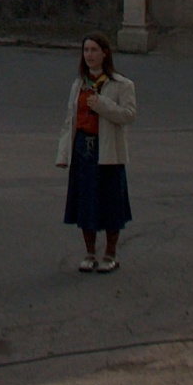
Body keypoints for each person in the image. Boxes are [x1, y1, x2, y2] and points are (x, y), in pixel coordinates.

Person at [56, 32, 136, 273]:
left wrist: (103, 105)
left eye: (93, 50)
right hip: (84, 149)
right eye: (86, 50)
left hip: (108, 150)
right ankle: (90, 252)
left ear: (104, 53)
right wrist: (63, 154)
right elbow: (70, 119)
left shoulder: (122, 85)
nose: (89, 55)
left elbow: (128, 115)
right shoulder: (78, 84)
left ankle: (110, 253)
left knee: (111, 201)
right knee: (85, 202)